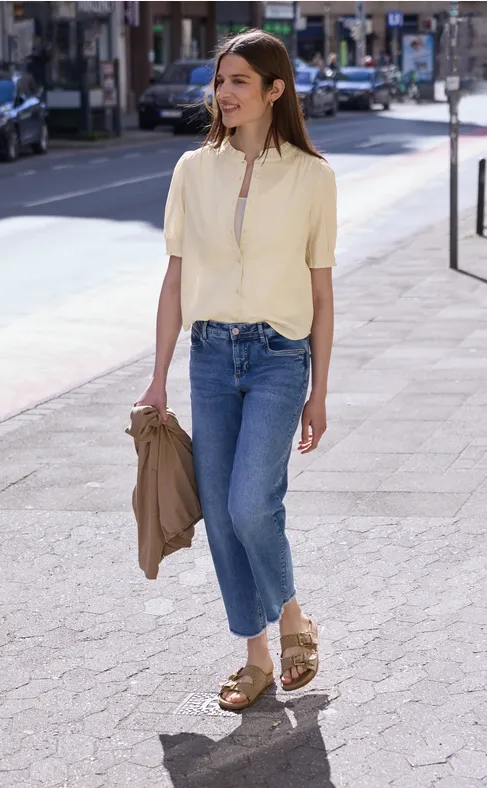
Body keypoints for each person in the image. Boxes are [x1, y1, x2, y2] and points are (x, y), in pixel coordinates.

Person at [134, 28, 336, 711]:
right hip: (211, 357)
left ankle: (293, 619)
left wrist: (320, 391)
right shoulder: (193, 170)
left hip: (280, 356)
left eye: (239, 81)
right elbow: (174, 278)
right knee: (222, 517)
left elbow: (319, 290)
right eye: (219, 81)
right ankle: (255, 657)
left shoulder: (312, 176)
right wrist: (158, 377)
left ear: (275, 90)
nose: (223, 93)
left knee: (252, 503)